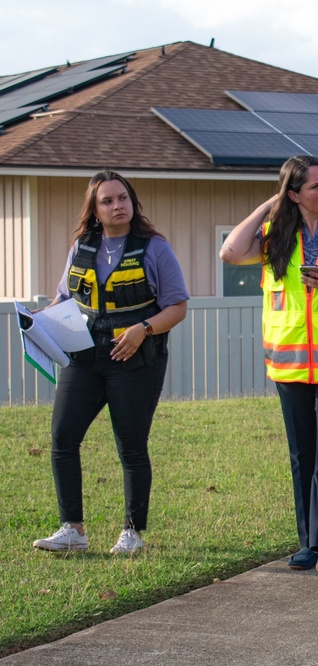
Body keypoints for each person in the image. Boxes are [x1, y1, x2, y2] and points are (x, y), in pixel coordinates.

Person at [219, 155, 318, 582]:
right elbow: (230, 251)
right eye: (316, 187)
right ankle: (307, 542)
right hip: (289, 363)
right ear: (293, 194)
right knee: (302, 454)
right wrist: (272, 204)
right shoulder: (275, 236)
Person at [32, 170, 189, 555]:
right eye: (107, 201)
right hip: (83, 358)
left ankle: (132, 533)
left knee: (131, 446)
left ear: (133, 202)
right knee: (62, 438)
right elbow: (63, 299)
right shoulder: (81, 247)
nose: (118, 206)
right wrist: (36, 319)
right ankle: (73, 530)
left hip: (136, 360)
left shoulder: (154, 248)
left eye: (123, 198)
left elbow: (178, 307)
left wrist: (143, 329)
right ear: (95, 209)